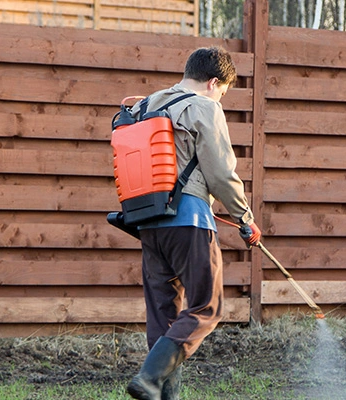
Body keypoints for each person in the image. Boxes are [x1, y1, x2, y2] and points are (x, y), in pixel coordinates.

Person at [125, 46, 262, 400]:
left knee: (163, 316)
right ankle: (149, 378)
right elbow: (220, 173)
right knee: (207, 305)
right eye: (223, 93)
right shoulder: (205, 106)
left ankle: (161, 393)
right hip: (189, 222)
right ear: (214, 83)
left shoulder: (146, 104)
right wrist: (244, 219)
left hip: (148, 222)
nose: (221, 100)